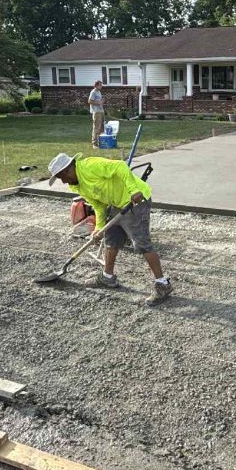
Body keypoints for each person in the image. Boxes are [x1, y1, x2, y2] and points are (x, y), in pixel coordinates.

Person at [47, 152, 173, 305]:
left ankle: (163, 284)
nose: (64, 182)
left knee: (142, 244)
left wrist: (133, 190)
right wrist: (99, 228)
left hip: (135, 201)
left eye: (61, 177)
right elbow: (98, 205)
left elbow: (120, 166)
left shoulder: (89, 166)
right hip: (117, 203)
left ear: (67, 170)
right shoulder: (78, 185)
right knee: (111, 239)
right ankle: (107, 277)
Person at [89, 80, 105, 148]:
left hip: (101, 111)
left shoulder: (99, 92)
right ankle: (94, 144)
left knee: (101, 128)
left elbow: (99, 101)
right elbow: (89, 101)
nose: (101, 86)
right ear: (96, 85)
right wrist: (99, 103)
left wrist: (102, 101)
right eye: (100, 85)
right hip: (96, 112)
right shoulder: (93, 92)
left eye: (101, 85)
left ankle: (100, 142)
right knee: (96, 127)